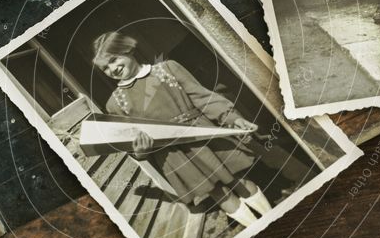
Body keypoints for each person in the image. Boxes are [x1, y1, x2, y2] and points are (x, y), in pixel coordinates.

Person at [91, 31, 272, 227]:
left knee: (239, 181)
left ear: (127, 50)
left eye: (113, 59)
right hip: (173, 155)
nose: (111, 69)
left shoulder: (167, 69)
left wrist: (232, 118)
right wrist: (140, 152)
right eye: (105, 68)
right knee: (218, 193)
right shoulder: (115, 104)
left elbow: (203, 98)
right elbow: (131, 143)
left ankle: (273, 218)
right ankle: (259, 229)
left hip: (203, 136)